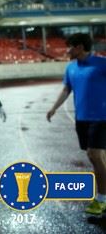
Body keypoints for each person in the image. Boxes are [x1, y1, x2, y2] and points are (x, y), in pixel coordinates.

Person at [46, 33, 106, 215]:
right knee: (98, 158)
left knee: (94, 155)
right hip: (82, 118)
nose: (67, 50)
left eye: (70, 46)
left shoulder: (102, 64)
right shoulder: (70, 68)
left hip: (102, 117)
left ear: (79, 47)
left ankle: (101, 199)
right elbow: (67, 89)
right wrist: (54, 108)